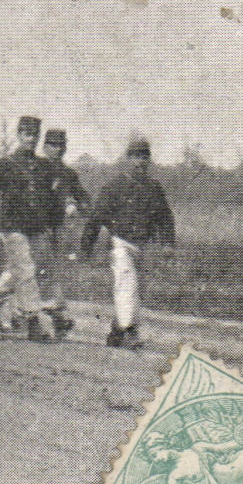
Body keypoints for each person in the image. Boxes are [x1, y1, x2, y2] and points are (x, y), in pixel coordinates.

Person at [80, 137, 175, 349]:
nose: (140, 162)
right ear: (128, 159)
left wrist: (167, 243)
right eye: (136, 157)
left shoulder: (154, 188)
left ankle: (117, 330)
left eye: (144, 157)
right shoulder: (114, 187)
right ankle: (131, 331)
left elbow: (165, 217)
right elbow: (96, 219)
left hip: (143, 246)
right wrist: (86, 248)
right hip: (120, 244)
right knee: (127, 286)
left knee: (135, 290)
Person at [0, 115, 66, 341]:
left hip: (36, 226)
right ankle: (33, 321)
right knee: (26, 269)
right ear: (18, 135)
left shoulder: (44, 166)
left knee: (28, 268)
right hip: (12, 225)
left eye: (35, 135)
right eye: (26, 134)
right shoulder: (4, 164)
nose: (31, 139)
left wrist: (54, 225)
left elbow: (51, 199)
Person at [38, 128, 88, 328]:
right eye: (53, 145)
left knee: (45, 268)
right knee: (39, 268)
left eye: (61, 145)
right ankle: (55, 313)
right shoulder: (36, 168)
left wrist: (79, 205)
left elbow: (81, 195)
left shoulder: (68, 173)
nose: (58, 150)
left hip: (57, 227)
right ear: (44, 147)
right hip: (36, 226)